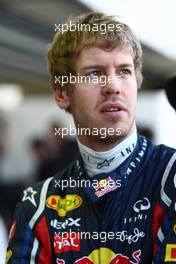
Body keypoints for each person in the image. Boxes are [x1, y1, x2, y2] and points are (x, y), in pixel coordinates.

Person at [6, 12, 176, 264]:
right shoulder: (38, 204)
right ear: (63, 93)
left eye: (124, 71)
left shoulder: (170, 179)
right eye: (94, 73)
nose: (113, 86)